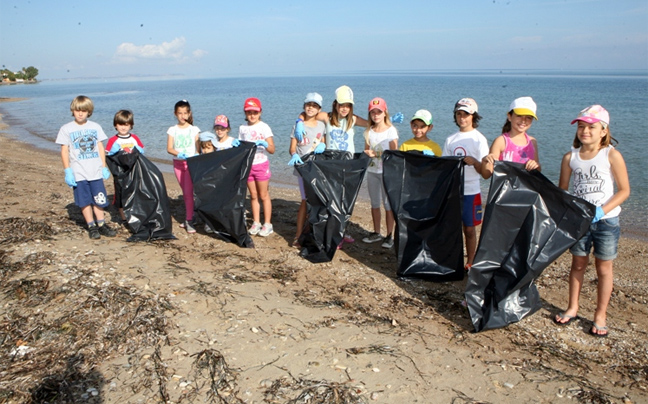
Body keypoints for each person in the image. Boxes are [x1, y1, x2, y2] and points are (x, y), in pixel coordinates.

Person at [554, 105, 630, 338]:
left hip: (606, 221)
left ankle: (600, 315)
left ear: (603, 130)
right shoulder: (571, 157)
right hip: (580, 222)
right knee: (578, 264)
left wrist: (601, 210)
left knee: (604, 268)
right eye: (581, 126)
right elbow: (563, 190)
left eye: (591, 127)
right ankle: (573, 307)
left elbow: (624, 190)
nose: (585, 131)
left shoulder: (611, 155)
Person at [56, 95, 117, 240]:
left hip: (95, 171)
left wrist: (104, 166)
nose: (80, 113)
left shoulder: (95, 127)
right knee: (84, 201)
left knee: (99, 199)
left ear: (89, 111)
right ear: (73, 111)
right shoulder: (67, 129)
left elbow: (100, 147)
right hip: (78, 173)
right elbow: (64, 150)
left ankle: (101, 224)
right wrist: (67, 170)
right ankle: (91, 225)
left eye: (84, 110)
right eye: (77, 110)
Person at [442, 98, 489, 271]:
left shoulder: (479, 140)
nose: (462, 118)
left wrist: (475, 162)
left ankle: (471, 261)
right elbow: (444, 166)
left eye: (466, 115)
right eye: (459, 114)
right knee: (452, 228)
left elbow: (485, 172)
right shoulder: (450, 140)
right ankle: (452, 259)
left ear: (473, 116)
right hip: (454, 191)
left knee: (469, 229)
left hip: (471, 191)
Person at [288, 93, 326, 247]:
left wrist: (323, 146)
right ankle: (298, 235)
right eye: (308, 104)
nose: (311, 107)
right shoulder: (298, 125)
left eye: (315, 105)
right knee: (305, 201)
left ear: (319, 109)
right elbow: (292, 147)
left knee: (316, 201)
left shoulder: (321, 125)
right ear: (304, 106)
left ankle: (312, 233)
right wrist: (294, 154)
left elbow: (323, 145)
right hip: (302, 169)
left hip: (316, 168)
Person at [362, 97, 398, 248]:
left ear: (385, 113)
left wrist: (381, 154)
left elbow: (395, 153)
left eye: (379, 112)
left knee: (388, 204)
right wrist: (367, 153)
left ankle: (389, 235)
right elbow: (366, 149)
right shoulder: (369, 131)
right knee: (375, 203)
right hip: (372, 171)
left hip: (386, 172)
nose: (376, 115)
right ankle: (377, 232)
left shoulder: (391, 131)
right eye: (373, 112)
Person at [239, 97, 276, 237]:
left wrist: (266, 145)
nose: (252, 115)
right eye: (249, 112)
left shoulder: (264, 127)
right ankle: (256, 222)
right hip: (248, 165)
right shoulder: (242, 128)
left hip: (261, 164)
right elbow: (241, 148)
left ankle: (268, 223)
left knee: (264, 195)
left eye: (255, 112)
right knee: (253, 195)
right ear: (245, 113)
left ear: (260, 112)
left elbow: (272, 149)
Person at [481, 97, 540, 178]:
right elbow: (486, 175)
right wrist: (485, 160)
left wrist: (535, 165)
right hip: (505, 189)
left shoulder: (532, 142)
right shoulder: (501, 141)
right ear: (509, 116)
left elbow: (538, 172)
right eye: (519, 116)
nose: (523, 120)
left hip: (526, 189)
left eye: (528, 117)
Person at [166, 99, 200, 234]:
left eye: (185, 113)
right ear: (175, 114)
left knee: (187, 193)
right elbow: (169, 148)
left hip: (190, 164)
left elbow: (198, 150)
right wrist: (179, 154)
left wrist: (194, 157)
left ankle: (189, 220)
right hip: (178, 163)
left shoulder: (194, 129)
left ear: (189, 113)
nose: (183, 116)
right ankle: (192, 215)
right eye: (180, 113)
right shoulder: (172, 130)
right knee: (186, 192)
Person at [106, 109, 145, 223]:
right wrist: (113, 152)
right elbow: (107, 154)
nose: (123, 127)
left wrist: (136, 150)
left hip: (134, 170)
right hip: (120, 172)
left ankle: (134, 213)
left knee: (135, 191)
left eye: (126, 125)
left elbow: (142, 150)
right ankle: (123, 217)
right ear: (115, 125)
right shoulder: (113, 140)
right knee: (121, 193)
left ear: (131, 125)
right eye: (120, 124)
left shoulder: (134, 138)